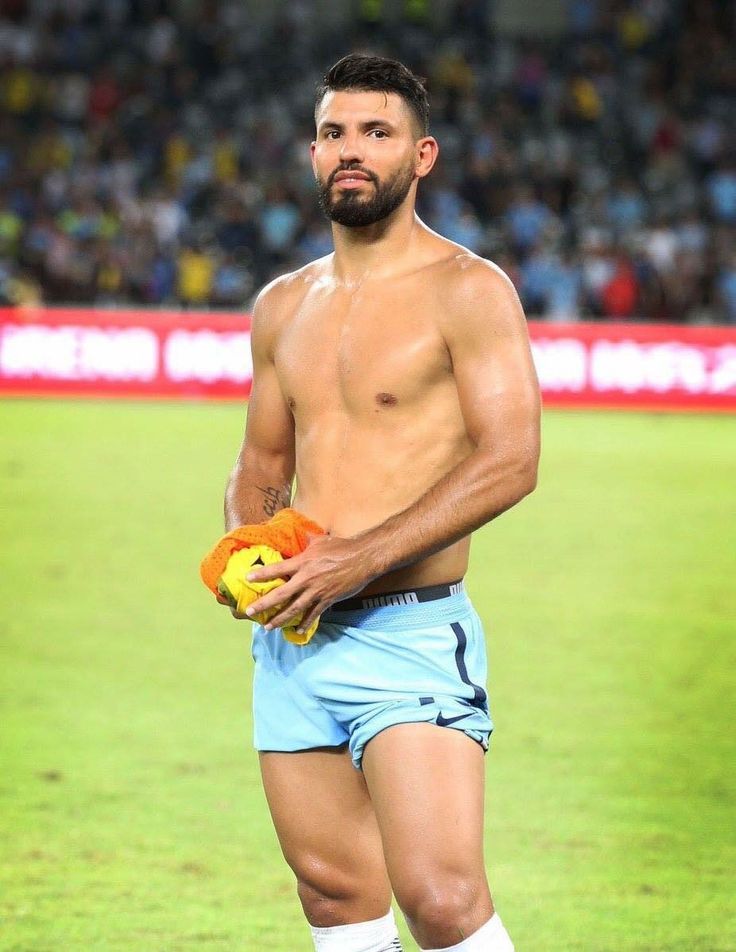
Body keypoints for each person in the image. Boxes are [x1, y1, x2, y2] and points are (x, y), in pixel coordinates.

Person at [223, 54, 540, 952]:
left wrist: (355, 557)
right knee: (333, 896)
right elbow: (260, 463)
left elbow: (512, 460)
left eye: (376, 132)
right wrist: (245, 555)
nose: (350, 151)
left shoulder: (469, 291)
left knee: (440, 899)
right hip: (293, 641)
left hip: (409, 630)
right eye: (333, 134)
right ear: (312, 154)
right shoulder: (284, 305)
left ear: (422, 154)